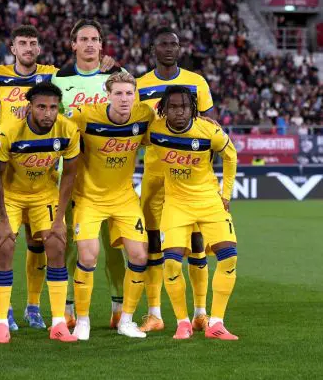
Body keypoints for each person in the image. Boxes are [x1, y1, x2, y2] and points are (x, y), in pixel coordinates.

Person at [136, 27, 217, 333]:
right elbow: (137, 128)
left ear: (180, 48)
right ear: (152, 48)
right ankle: (155, 313)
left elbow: (211, 124)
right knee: (154, 242)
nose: (169, 48)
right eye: (163, 44)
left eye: (174, 44)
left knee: (196, 243)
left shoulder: (196, 82)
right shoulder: (140, 84)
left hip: (190, 178)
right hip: (156, 174)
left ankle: (200, 312)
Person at [0, 81, 79, 344]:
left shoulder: (67, 129)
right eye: (41, 107)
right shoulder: (9, 130)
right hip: (10, 196)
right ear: (30, 107)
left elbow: (70, 176)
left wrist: (60, 219)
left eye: (52, 107)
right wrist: (4, 220)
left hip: (44, 195)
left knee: (57, 245)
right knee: (4, 245)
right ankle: (1, 323)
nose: (47, 113)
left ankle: (59, 323)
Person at [66, 72, 154, 340]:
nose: (124, 99)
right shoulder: (85, 116)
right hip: (89, 198)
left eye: (129, 93)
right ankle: (83, 320)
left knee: (139, 256)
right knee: (89, 256)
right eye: (118, 93)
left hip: (124, 198)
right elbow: (59, 132)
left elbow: (163, 132)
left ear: (135, 93)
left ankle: (126, 320)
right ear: (108, 94)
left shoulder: (144, 116)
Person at [51, 19, 126, 329]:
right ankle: (67, 308)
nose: (90, 44)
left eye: (95, 38)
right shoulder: (60, 79)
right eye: (84, 39)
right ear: (73, 45)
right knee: (69, 244)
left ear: (102, 44)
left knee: (113, 246)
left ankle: (118, 307)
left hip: (110, 176)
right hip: (70, 174)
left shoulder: (116, 76)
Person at [148, 85, 238, 340]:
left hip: (209, 202)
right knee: (172, 263)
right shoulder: (154, 130)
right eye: (174, 106)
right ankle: (183, 323)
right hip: (175, 204)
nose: (179, 112)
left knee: (229, 257)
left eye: (185, 106)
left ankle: (217, 323)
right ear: (164, 109)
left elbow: (231, 156)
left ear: (193, 109)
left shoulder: (209, 131)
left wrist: (226, 195)